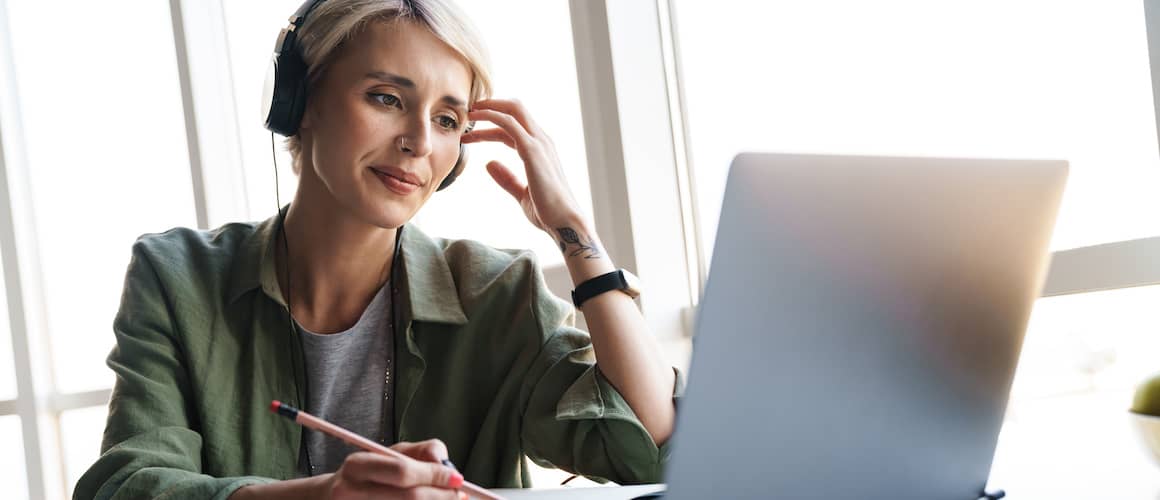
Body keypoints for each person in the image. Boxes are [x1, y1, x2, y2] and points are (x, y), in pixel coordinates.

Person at [74, 1, 681, 498]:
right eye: (387, 98)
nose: (419, 141)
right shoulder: (177, 277)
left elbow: (647, 450)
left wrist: (573, 230)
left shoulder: (499, 293)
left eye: (448, 120)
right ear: (300, 101)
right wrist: (329, 495)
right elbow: (126, 487)